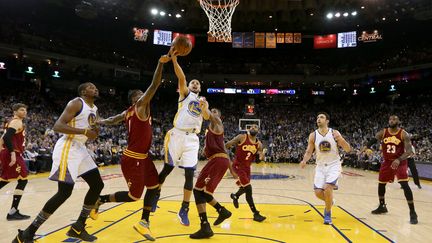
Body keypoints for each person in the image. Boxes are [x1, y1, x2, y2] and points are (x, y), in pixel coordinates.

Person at [92, 54, 170, 241]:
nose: (145, 96)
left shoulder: (127, 112)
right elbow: (154, 85)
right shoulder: (140, 106)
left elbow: (113, 119)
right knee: (134, 197)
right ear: (136, 99)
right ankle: (100, 200)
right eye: (141, 95)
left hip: (143, 157)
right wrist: (160, 64)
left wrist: (100, 121)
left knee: (154, 186)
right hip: (133, 158)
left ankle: (143, 222)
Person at [14, 82, 104, 242]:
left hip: (80, 148)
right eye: (91, 87)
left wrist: (95, 131)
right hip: (68, 148)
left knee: (97, 185)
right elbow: (58, 126)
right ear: (83, 91)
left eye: (95, 87)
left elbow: (93, 131)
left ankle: (78, 227)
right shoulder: (76, 103)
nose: (95, 88)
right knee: (64, 192)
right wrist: (84, 131)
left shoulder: (95, 109)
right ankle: (27, 233)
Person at [154, 50, 205, 226]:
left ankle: (184, 209)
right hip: (176, 135)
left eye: (197, 83)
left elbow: (206, 117)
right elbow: (182, 78)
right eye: (193, 82)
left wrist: (205, 108)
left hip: (192, 139)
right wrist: (175, 61)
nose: (195, 84)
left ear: (200, 88)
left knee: (190, 175)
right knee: (167, 169)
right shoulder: (184, 95)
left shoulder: (202, 101)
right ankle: (156, 194)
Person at [190, 101, 233, 239]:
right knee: (202, 192)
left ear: (219, 117)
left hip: (218, 161)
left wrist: (206, 107)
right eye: (212, 111)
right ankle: (221, 211)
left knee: (199, 191)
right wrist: (231, 169)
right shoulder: (210, 130)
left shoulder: (217, 122)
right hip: (217, 160)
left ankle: (206, 226)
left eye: (215, 112)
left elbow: (211, 116)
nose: (213, 113)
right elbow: (224, 150)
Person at [300, 112, 351, 225]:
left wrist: (343, 142)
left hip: (334, 165)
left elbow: (346, 147)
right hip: (320, 166)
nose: (318, 119)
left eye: (321, 117)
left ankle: (327, 213)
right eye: (317, 117)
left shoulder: (334, 133)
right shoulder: (313, 135)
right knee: (318, 192)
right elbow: (309, 151)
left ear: (327, 121)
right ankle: (330, 201)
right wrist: (304, 160)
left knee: (327, 188)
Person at [367, 115, 418, 224]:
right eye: (390, 119)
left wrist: (399, 160)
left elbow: (409, 151)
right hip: (387, 162)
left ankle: (412, 212)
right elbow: (372, 140)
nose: (391, 121)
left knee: (405, 185)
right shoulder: (383, 132)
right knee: (381, 184)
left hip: (400, 162)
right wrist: (366, 147)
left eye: (394, 119)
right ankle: (382, 206)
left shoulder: (404, 134)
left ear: (398, 121)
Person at [225, 124, 266, 222]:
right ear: (248, 129)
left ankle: (235, 196)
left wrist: (262, 155)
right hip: (238, 166)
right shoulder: (241, 137)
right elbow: (227, 145)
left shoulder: (259, 144)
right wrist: (227, 156)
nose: (253, 128)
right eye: (251, 127)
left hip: (247, 168)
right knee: (248, 189)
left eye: (255, 127)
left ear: (258, 131)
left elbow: (258, 161)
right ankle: (255, 214)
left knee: (244, 188)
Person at [0, 103, 31, 220]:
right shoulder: (16, 121)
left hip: (9, 152)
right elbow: (7, 138)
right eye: (22, 110)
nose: (24, 112)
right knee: (22, 180)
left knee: (6, 179)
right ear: (15, 111)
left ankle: (13, 211)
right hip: (12, 153)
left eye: (25, 110)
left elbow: (2, 139)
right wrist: (12, 154)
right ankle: (13, 212)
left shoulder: (12, 122)